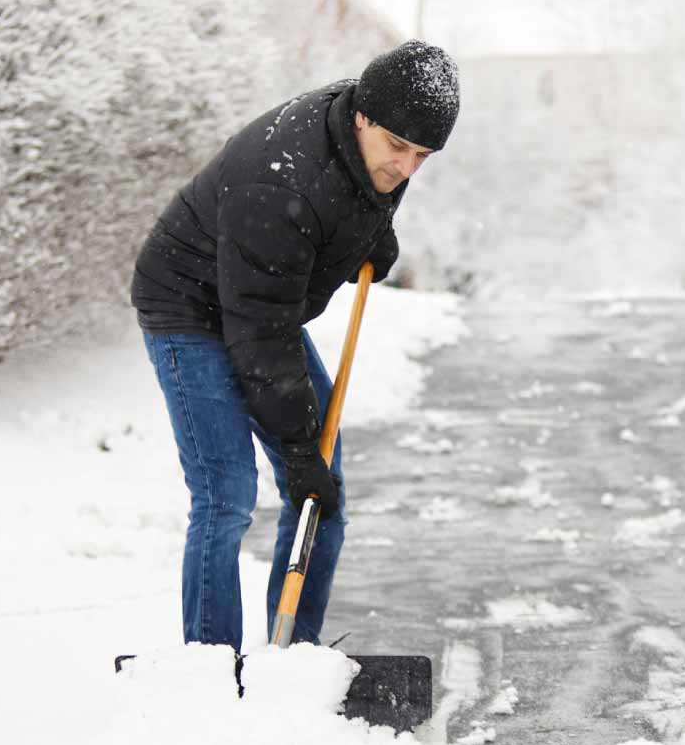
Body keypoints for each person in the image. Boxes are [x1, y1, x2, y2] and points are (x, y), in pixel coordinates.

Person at [130, 41, 460, 651]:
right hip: (188, 304)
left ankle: (292, 657)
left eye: (424, 155)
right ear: (363, 116)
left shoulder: (375, 140)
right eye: (399, 148)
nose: (407, 168)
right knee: (226, 492)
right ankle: (209, 663)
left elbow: (350, 201)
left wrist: (369, 233)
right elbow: (258, 332)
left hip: (260, 306)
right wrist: (299, 446)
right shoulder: (279, 178)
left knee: (322, 495)